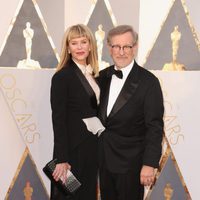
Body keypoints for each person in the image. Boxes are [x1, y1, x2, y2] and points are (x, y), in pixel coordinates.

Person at [97, 25, 164, 200]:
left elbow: (155, 127)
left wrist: (149, 164)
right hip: (103, 162)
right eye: (116, 46)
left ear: (135, 47)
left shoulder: (149, 82)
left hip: (131, 166)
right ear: (109, 48)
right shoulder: (101, 77)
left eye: (126, 46)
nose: (121, 52)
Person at [50, 24, 100, 200]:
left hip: (92, 150)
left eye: (83, 42)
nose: (79, 47)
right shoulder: (62, 77)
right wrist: (61, 159)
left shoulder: (96, 76)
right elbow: (58, 119)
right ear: (68, 48)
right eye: (74, 43)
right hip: (71, 153)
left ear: (91, 45)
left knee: (86, 196)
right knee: (69, 196)